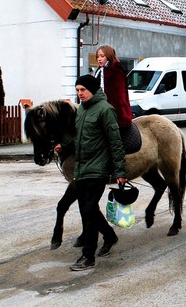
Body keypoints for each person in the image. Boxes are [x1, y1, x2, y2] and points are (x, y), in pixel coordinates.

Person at [70, 74, 127, 271]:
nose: (79, 94)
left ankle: (88, 256)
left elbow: (115, 142)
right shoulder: (82, 110)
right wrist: (64, 145)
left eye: (83, 90)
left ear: (92, 89)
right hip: (81, 169)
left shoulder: (105, 110)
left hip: (97, 170)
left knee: (88, 211)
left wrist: (120, 171)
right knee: (89, 210)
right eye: (77, 90)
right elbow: (79, 138)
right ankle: (109, 236)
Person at [94, 45, 132, 130]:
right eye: (98, 57)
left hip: (114, 111)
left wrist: (119, 115)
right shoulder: (99, 71)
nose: (99, 59)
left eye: (102, 56)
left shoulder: (115, 70)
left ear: (109, 56)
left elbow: (120, 95)